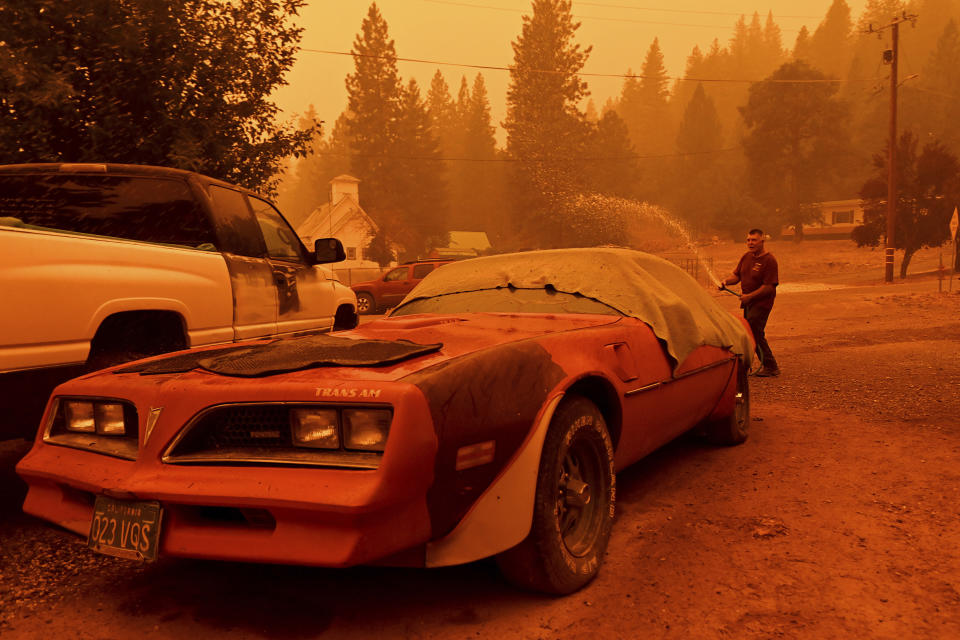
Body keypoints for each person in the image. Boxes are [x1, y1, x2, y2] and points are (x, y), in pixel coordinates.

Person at [719, 228, 780, 377]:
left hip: (762, 302)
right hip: (748, 302)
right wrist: (726, 282)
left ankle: (771, 366)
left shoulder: (769, 260)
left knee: (754, 331)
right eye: (748, 240)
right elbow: (736, 276)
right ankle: (749, 364)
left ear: (762, 241)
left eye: (754, 240)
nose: (750, 243)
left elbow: (769, 287)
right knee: (750, 331)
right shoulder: (746, 257)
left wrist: (750, 296)